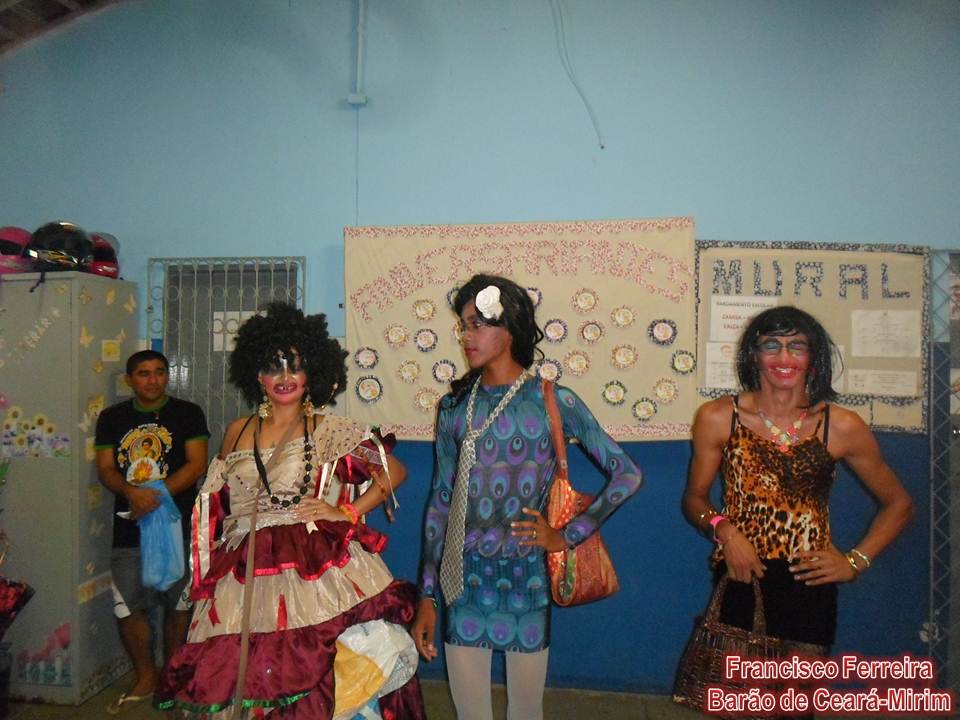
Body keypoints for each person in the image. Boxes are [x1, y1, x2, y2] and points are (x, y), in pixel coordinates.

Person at [155, 303, 425, 719]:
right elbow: (218, 501)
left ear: (310, 372)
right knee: (242, 672)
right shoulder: (236, 431)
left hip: (312, 568)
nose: (284, 377)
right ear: (257, 376)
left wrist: (347, 512)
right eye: (272, 367)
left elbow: (395, 471)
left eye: (294, 367)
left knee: (312, 663)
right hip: (241, 568)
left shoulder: (329, 428)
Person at [410, 274, 643, 720]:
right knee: (470, 713)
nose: (466, 336)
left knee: (526, 711)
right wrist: (427, 596)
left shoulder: (552, 400)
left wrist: (565, 536)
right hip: (463, 580)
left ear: (510, 327)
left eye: (478, 324)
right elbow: (440, 500)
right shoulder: (454, 407)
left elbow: (627, 474)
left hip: (526, 580)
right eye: (463, 326)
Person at [681, 306, 913, 711]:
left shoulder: (840, 425)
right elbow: (694, 499)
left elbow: (899, 504)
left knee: (794, 704)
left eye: (796, 346)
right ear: (753, 355)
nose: (784, 357)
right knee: (737, 703)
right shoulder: (719, 417)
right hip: (743, 574)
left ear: (813, 356)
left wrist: (855, 562)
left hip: (810, 581)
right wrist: (725, 531)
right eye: (771, 345)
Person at [95, 350, 210, 714]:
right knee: (127, 606)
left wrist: (154, 496)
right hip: (129, 528)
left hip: (178, 525)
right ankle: (146, 676)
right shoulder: (112, 418)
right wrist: (132, 493)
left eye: (159, 372)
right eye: (144, 373)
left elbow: (197, 464)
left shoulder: (188, 413)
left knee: (179, 605)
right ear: (130, 379)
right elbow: (106, 468)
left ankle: (172, 676)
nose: (153, 380)